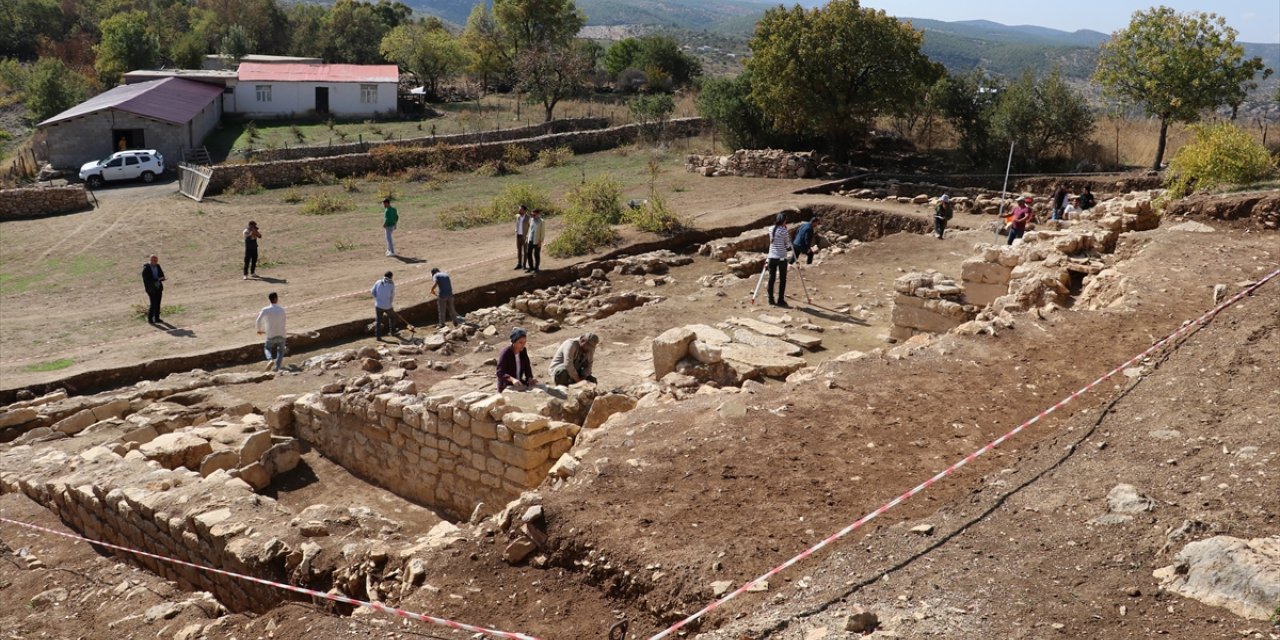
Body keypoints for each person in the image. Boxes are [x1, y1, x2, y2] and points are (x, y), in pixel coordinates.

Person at [255, 292, 287, 372]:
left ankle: (270, 359)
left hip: (270, 335)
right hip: (282, 334)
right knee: (281, 350)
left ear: (269, 300)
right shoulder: (282, 310)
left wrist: (259, 330)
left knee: (267, 348)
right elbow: (284, 322)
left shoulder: (265, 310)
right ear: (276, 299)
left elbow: (258, 321)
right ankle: (277, 367)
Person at [497, 327, 536, 391]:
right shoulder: (505, 353)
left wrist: (529, 378)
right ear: (514, 342)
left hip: (519, 383)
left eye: (524, 342)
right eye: (520, 343)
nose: (523, 345)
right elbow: (500, 373)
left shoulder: (523, 351)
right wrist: (512, 379)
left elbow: (527, 367)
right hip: (506, 386)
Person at [766, 213, 789, 307]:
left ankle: (771, 299)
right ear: (783, 221)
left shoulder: (770, 229)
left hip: (772, 257)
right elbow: (787, 245)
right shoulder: (784, 231)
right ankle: (780, 300)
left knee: (771, 279)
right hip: (782, 258)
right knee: (782, 279)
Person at [371, 271, 396, 340]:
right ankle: (392, 331)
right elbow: (392, 296)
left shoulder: (378, 282)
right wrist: (390, 304)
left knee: (378, 321)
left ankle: (378, 337)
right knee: (392, 317)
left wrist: (378, 299)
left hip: (378, 305)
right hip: (387, 306)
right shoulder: (392, 284)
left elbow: (372, 292)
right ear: (391, 277)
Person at [141, 254, 166, 324]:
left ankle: (157, 318)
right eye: (154, 260)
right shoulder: (146, 268)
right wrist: (157, 279)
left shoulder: (158, 266)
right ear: (151, 260)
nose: (155, 261)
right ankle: (150, 319)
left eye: (156, 260)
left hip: (158, 287)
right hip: (151, 289)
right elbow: (147, 279)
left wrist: (162, 278)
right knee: (153, 303)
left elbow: (161, 274)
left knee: (158, 303)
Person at [524, 208, 544, 273]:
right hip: (530, 239)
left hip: (537, 240)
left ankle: (536, 268)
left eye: (534, 215)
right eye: (532, 215)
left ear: (538, 214)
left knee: (536, 254)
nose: (533, 216)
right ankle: (531, 267)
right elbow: (530, 229)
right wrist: (527, 237)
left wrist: (540, 241)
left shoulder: (542, 221)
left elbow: (542, 232)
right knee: (528, 253)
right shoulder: (531, 220)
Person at [514, 204, 529, 270]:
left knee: (525, 251)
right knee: (519, 250)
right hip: (518, 236)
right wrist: (516, 229)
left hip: (525, 237)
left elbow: (530, 228)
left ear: (524, 211)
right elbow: (516, 224)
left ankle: (524, 265)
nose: (519, 210)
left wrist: (528, 236)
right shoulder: (517, 216)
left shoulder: (528, 218)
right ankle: (519, 264)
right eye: (519, 209)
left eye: (521, 209)